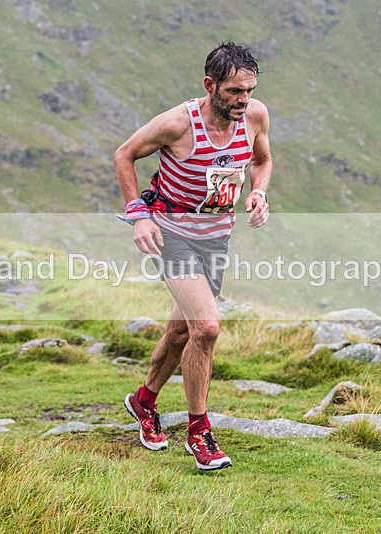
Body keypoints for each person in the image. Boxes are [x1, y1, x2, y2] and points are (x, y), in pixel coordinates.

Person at [114, 41, 272, 470]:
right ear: (210, 84)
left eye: (250, 91)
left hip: (215, 238)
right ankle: (199, 432)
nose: (243, 100)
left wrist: (258, 193)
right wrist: (138, 216)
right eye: (234, 91)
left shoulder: (255, 116)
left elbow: (262, 160)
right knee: (207, 327)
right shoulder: (177, 124)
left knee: (182, 331)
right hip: (173, 234)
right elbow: (124, 155)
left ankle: (144, 401)